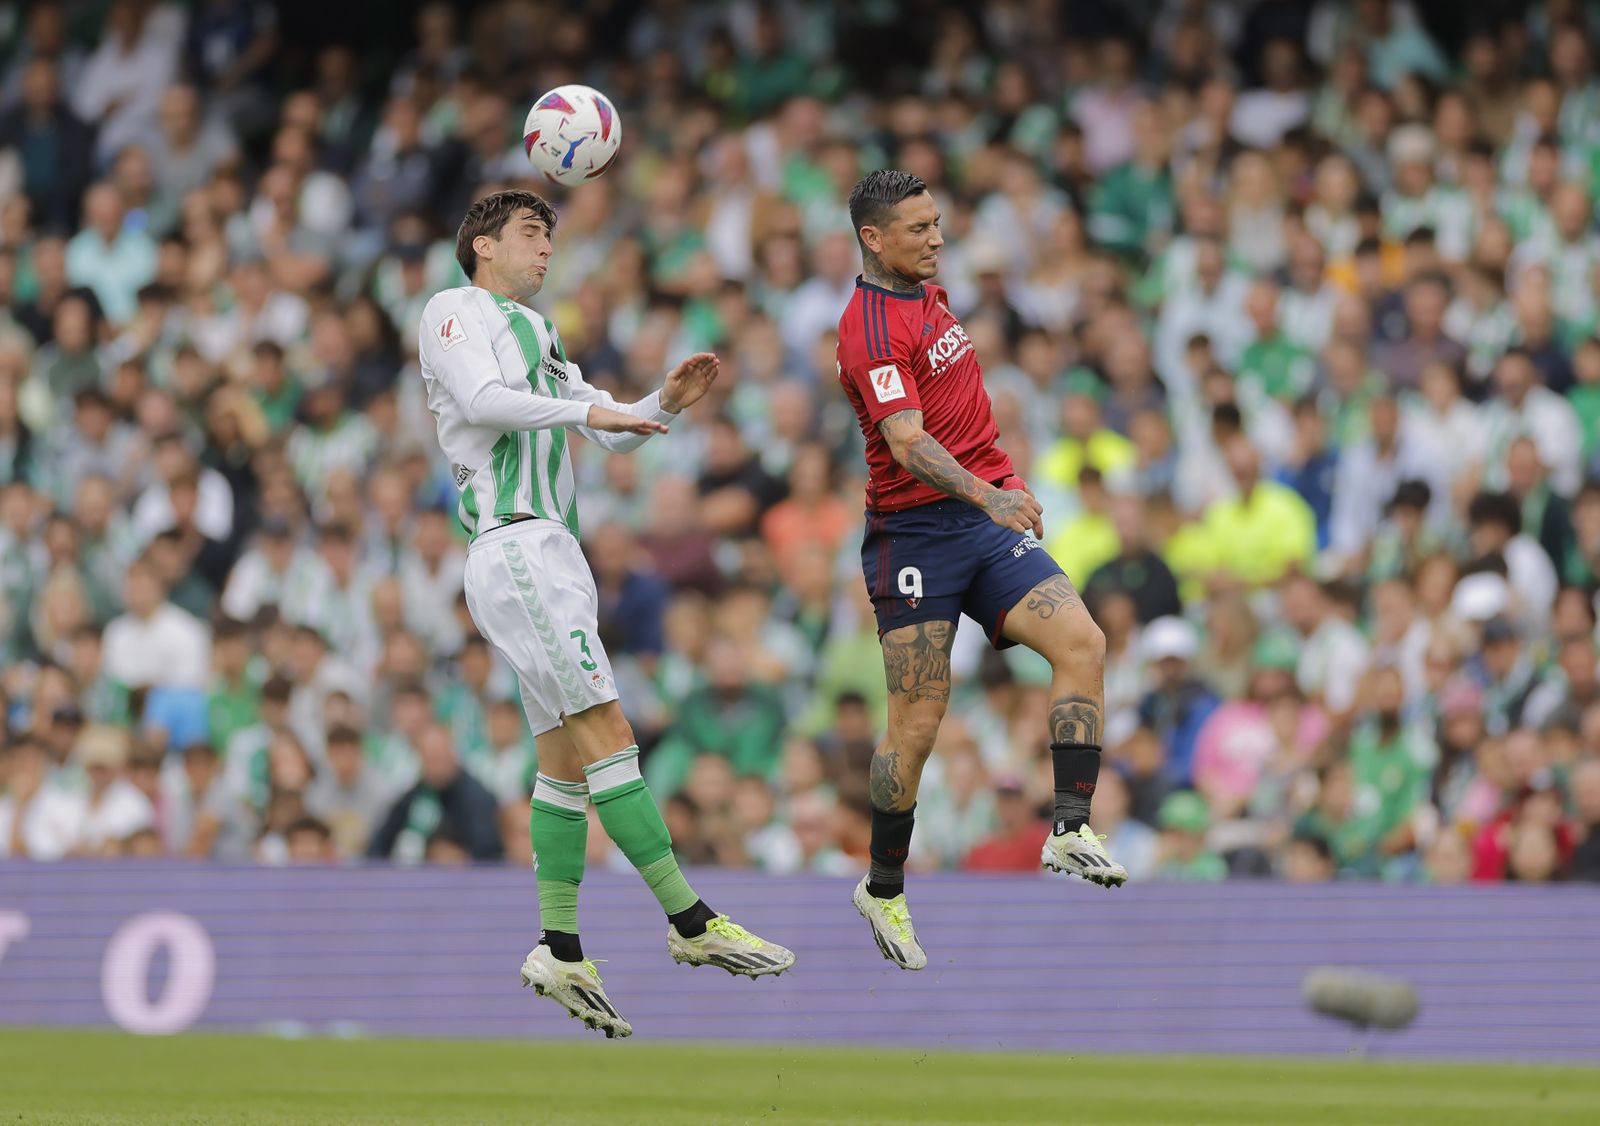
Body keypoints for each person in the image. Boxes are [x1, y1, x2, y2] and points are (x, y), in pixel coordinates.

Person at [417, 189, 792, 1038]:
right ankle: (690, 920)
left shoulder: (540, 333)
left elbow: (612, 430)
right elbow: (483, 401)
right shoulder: (453, 310)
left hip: (552, 551)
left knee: (563, 763)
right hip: (517, 544)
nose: (546, 248)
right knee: (610, 734)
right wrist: (589, 409)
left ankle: (560, 947)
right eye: (529, 232)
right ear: (482, 245)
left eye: (550, 235)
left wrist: (662, 402)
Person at [835, 170, 1120, 974]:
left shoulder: (928, 293)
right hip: (915, 538)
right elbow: (906, 442)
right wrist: (990, 493)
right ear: (873, 239)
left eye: (936, 223)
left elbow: (959, 413)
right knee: (917, 726)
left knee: (1084, 643)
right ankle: (883, 885)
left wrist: (998, 486)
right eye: (918, 228)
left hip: (983, 521)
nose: (936, 238)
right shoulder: (868, 329)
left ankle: (1069, 828)